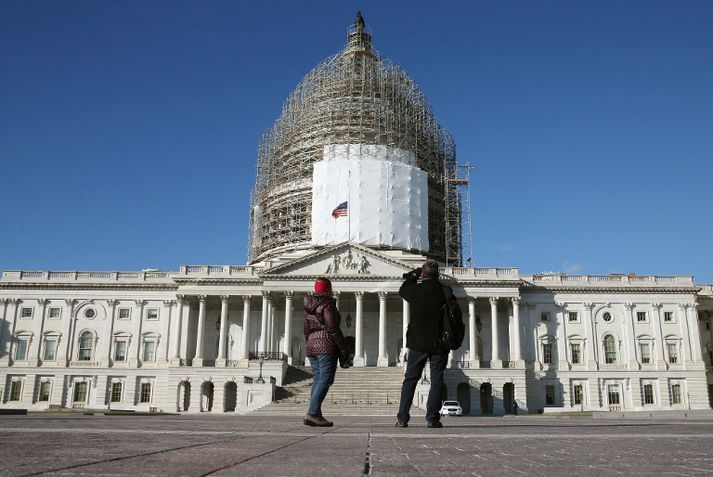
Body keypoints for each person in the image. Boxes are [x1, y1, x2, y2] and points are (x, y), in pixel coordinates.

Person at [395, 260, 450, 428]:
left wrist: (414, 275)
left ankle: (403, 418)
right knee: (437, 380)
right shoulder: (445, 291)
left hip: (418, 342)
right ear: (438, 275)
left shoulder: (416, 291)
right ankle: (433, 418)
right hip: (439, 343)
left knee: (410, 379)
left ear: (423, 275)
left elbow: (402, 289)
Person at [303, 277, 351, 427]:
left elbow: (306, 330)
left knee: (318, 379)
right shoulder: (328, 304)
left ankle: (316, 414)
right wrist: (343, 348)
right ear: (328, 289)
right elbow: (332, 328)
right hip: (326, 346)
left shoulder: (308, 308)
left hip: (312, 346)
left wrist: (310, 345)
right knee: (325, 379)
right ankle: (312, 413)